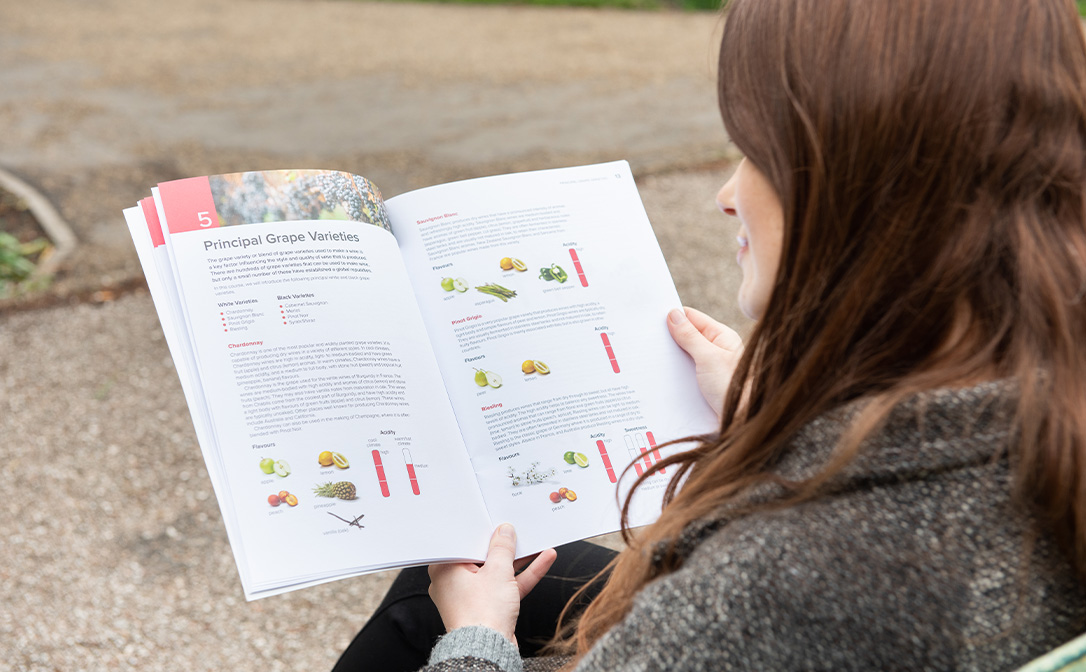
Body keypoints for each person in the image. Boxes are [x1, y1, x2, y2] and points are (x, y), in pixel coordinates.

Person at [336, 0, 1086, 669]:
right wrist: (772, 423)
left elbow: (797, 597)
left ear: (863, 185)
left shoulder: (778, 587)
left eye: (756, 153)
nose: (728, 197)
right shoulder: (1052, 405)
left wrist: (478, 640)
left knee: (441, 604)